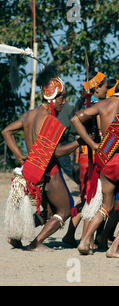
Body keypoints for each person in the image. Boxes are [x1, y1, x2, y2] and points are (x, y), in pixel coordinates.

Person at [72, 49, 119, 258]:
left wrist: (93, 145)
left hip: (106, 159)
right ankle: (114, 248)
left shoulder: (104, 104)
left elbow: (76, 119)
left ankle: (85, 240)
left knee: (106, 205)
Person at [2, 62, 81, 251]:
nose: (64, 101)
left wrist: (20, 155)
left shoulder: (30, 115)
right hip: (49, 172)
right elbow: (57, 152)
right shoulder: (49, 120)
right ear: (52, 97)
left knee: (49, 212)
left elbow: (6, 132)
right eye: (62, 97)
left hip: (32, 171)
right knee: (65, 209)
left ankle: (15, 236)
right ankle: (36, 244)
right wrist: (80, 142)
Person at [62, 71, 108, 247]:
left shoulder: (85, 102)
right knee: (92, 197)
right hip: (90, 155)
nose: (106, 90)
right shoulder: (94, 105)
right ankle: (85, 239)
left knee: (86, 196)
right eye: (104, 87)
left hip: (83, 155)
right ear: (96, 88)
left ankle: (70, 235)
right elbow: (81, 124)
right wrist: (94, 143)